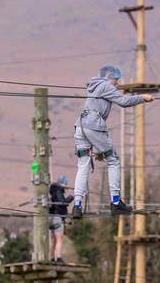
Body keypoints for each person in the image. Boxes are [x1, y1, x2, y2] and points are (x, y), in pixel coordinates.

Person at [69, 65, 153, 219]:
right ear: (110, 77)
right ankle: (115, 203)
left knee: (83, 166)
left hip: (80, 126)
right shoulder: (106, 85)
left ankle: (77, 205)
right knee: (113, 160)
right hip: (93, 125)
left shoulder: (94, 87)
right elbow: (123, 101)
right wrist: (143, 97)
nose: (117, 84)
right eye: (116, 80)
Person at [49, 175, 73, 262]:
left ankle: (52, 258)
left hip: (50, 218)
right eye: (65, 184)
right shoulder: (58, 191)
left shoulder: (52, 192)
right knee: (59, 239)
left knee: (53, 240)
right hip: (57, 217)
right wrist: (71, 197)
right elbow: (62, 203)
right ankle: (58, 257)